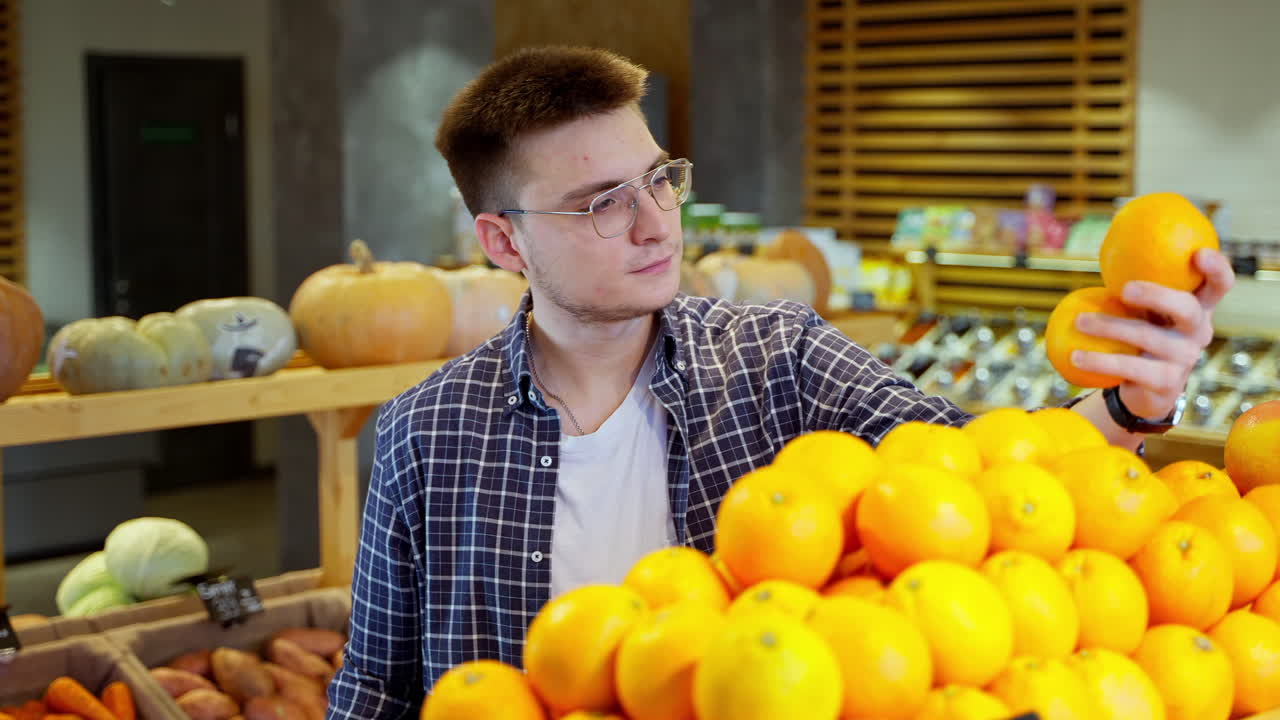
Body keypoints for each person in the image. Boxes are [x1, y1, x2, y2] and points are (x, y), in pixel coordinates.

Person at [326, 46, 1234, 716]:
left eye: (659, 181)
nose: (655, 226)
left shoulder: (777, 357)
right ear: (503, 241)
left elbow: (981, 480)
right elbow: (376, 690)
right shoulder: (424, 434)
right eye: (603, 202)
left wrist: (1130, 401)